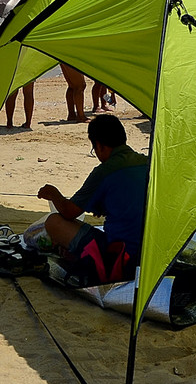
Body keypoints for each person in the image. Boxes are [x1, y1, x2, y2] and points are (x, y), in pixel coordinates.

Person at [37, 114, 149, 271]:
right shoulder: (148, 163)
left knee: (54, 222)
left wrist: (54, 194)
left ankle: (89, 260)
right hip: (151, 253)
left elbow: (69, 212)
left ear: (99, 145)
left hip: (121, 254)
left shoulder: (105, 171)